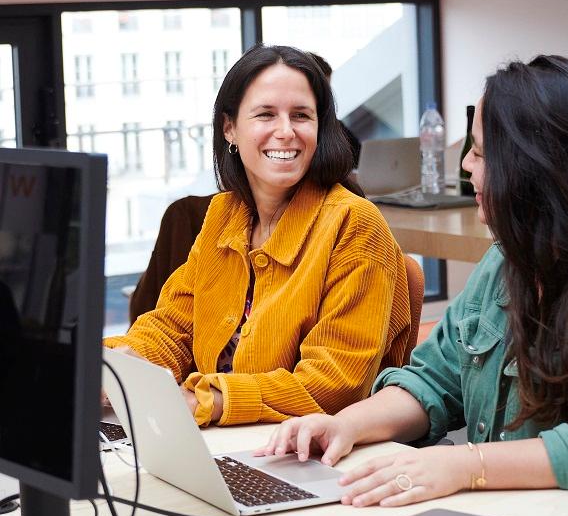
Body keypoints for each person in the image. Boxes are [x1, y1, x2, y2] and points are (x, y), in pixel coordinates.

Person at [258, 55, 568, 516]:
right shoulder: (506, 260)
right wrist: (344, 425)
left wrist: (465, 465)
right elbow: (434, 380)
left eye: (480, 152)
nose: (467, 167)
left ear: (532, 167)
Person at [104, 45, 412, 427]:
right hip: (228, 438)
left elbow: (334, 383)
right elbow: (174, 327)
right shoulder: (225, 213)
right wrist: (113, 365)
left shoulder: (355, 223)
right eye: (266, 114)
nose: (286, 131)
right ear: (229, 128)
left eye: (301, 115)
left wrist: (209, 400)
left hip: (311, 447)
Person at [309, 52, 362, 168]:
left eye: (328, 88)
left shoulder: (334, 125)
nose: (327, 95)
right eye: (323, 88)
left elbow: (360, 156)